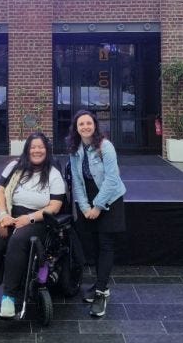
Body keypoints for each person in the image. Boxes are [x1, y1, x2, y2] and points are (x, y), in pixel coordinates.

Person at [0, 132, 65, 320]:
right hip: (10, 213)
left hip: (37, 219)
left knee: (18, 239)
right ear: (27, 149)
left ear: (47, 150)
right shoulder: (14, 167)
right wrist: (3, 215)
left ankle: (9, 297)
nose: (37, 150)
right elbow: (0, 193)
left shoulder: (53, 173)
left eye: (41, 147)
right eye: (33, 147)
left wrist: (30, 218)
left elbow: (55, 206)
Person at [67, 109, 126, 318]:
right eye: (81, 124)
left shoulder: (105, 146)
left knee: (106, 244)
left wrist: (98, 206)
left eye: (88, 123)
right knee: (94, 246)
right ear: (76, 128)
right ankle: (102, 285)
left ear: (95, 125)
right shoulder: (74, 150)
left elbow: (112, 179)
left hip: (110, 199)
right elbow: (76, 180)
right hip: (89, 200)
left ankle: (101, 293)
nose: (85, 127)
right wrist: (84, 207)